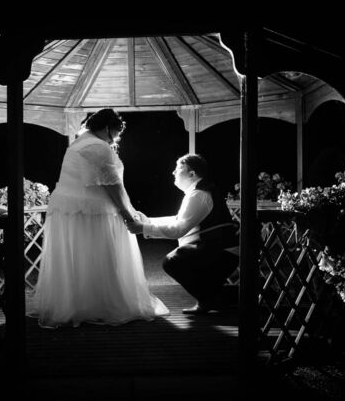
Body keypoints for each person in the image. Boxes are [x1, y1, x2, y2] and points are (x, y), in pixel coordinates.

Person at [27, 108, 169, 328]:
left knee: (83, 258)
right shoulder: (97, 147)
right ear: (105, 128)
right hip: (93, 211)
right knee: (101, 256)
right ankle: (102, 305)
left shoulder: (79, 143)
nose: (116, 139)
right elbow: (113, 186)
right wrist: (127, 213)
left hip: (69, 210)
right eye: (115, 133)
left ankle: (81, 304)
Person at [126, 154, 239, 315]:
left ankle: (209, 300)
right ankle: (223, 296)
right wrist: (147, 221)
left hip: (223, 254)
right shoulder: (197, 192)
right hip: (218, 250)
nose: (173, 172)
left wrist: (143, 228)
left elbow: (179, 229)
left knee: (173, 261)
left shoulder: (199, 195)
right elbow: (179, 219)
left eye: (178, 169)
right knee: (182, 260)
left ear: (192, 174)